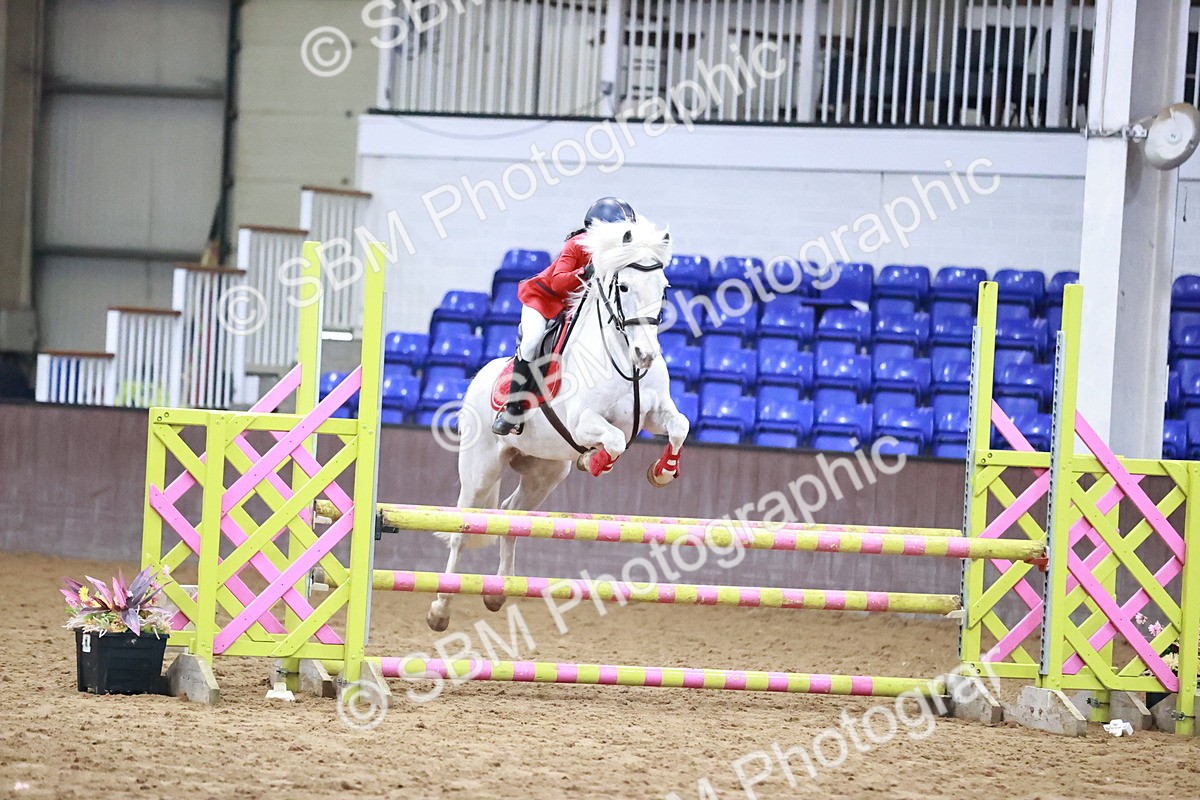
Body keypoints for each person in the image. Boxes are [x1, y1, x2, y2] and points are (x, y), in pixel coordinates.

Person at [491, 196, 637, 435]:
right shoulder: (577, 245)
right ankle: (514, 408)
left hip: (575, 306)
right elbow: (558, 283)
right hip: (544, 299)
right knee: (532, 341)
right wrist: (586, 271)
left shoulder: (618, 253)